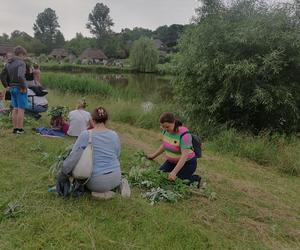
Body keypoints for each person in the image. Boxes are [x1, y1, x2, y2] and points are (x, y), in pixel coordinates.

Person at [67, 106, 130, 198]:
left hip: (96, 182)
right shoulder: (114, 135)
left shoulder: (86, 134)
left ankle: (99, 192)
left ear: (92, 120)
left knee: (78, 171)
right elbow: (117, 154)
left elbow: (73, 155)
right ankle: (113, 188)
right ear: (106, 120)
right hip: (116, 177)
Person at [147, 112, 201, 187]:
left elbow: (184, 156)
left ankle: (195, 179)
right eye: (163, 127)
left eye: (167, 127)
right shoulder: (166, 131)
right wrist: (153, 156)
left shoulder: (184, 134)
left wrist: (174, 172)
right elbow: (165, 145)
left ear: (174, 123)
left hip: (187, 163)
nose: (165, 129)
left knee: (175, 182)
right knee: (159, 175)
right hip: (171, 162)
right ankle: (175, 173)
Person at [0, 46, 28, 134]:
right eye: (24, 55)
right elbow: (20, 76)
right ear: (21, 54)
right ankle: (20, 129)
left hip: (12, 88)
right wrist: (24, 86)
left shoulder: (8, 63)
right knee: (21, 109)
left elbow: (2, 75)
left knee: (15, 109)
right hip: (20, 88)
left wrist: (6, 85)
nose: (24, 57)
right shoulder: (21, 63)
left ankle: (15, 129)